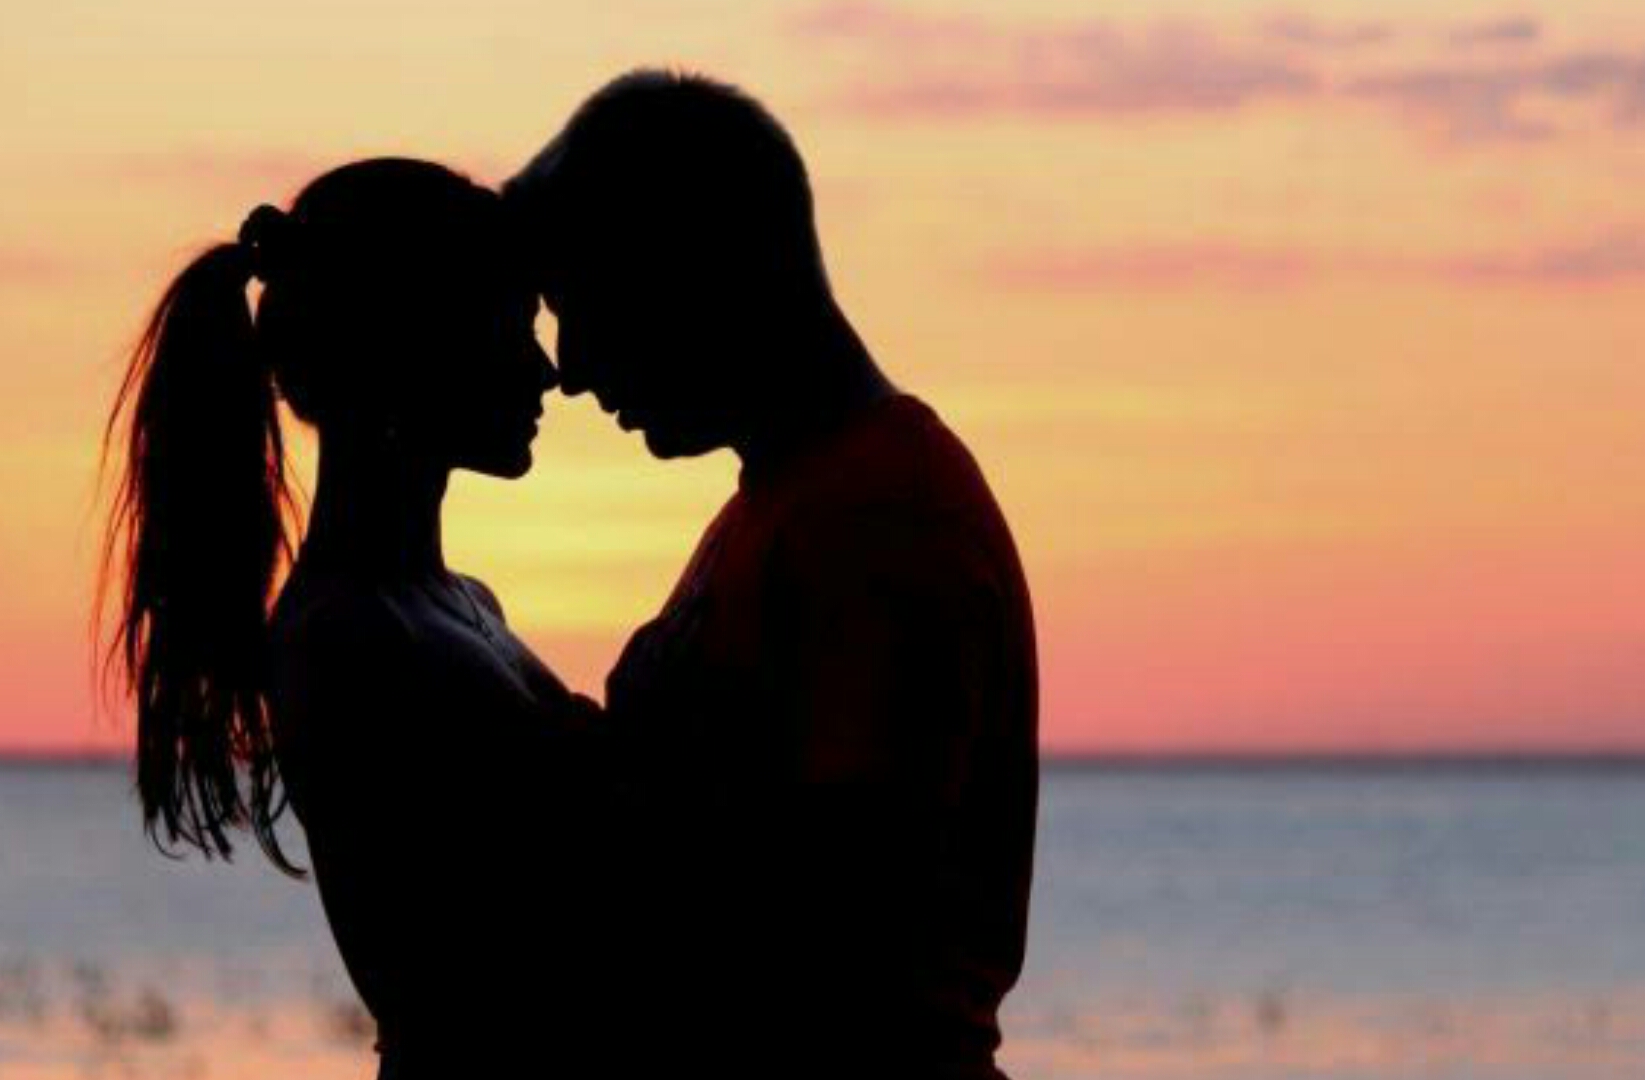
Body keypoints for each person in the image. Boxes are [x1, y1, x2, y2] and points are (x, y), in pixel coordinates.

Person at [506, 70, 1041, 1079]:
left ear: (689, 269)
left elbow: (837, 920)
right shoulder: (795, 499)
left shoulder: (880, 515)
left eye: (584, 306)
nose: (570, 368)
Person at [98, 157, 604, 1076]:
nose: (546, 371)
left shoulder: (459, 605)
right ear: (413, 350)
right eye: (510, 329)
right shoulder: (348, 638)